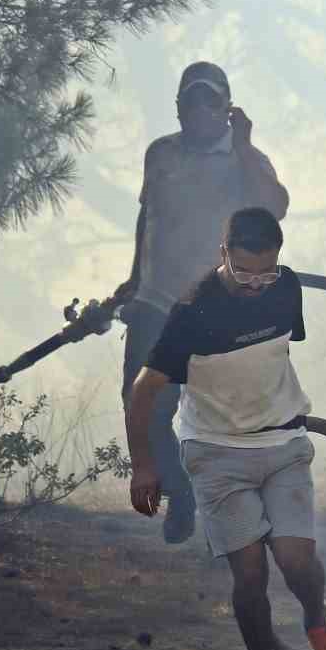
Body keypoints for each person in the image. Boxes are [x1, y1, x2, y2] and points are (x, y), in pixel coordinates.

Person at [124, 207, 326, 650]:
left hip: (282, 446)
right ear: (223, 253)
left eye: (266, 271)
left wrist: (273, 411)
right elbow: (144, 391)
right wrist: (144, 464)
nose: (256, 284)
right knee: (249, 574)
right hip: (216, 454)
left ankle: (319, 624)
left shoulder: (287, 288)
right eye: (244, 271)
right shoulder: (192, 312)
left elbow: (275, 355)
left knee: (296, 562)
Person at [115, 61, 290, 544]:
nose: (198, 109)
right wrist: (133, 280)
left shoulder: (245, 159)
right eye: (190, 99)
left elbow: (275, 209)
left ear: (227, 107)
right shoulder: (161, 154)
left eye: (209, 99)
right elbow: (146, 218)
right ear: (177, 107)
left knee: (229, 417)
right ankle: (181, 492)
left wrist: (247, 146)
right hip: (155, 302)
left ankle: (251, 513)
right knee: (142, 403)